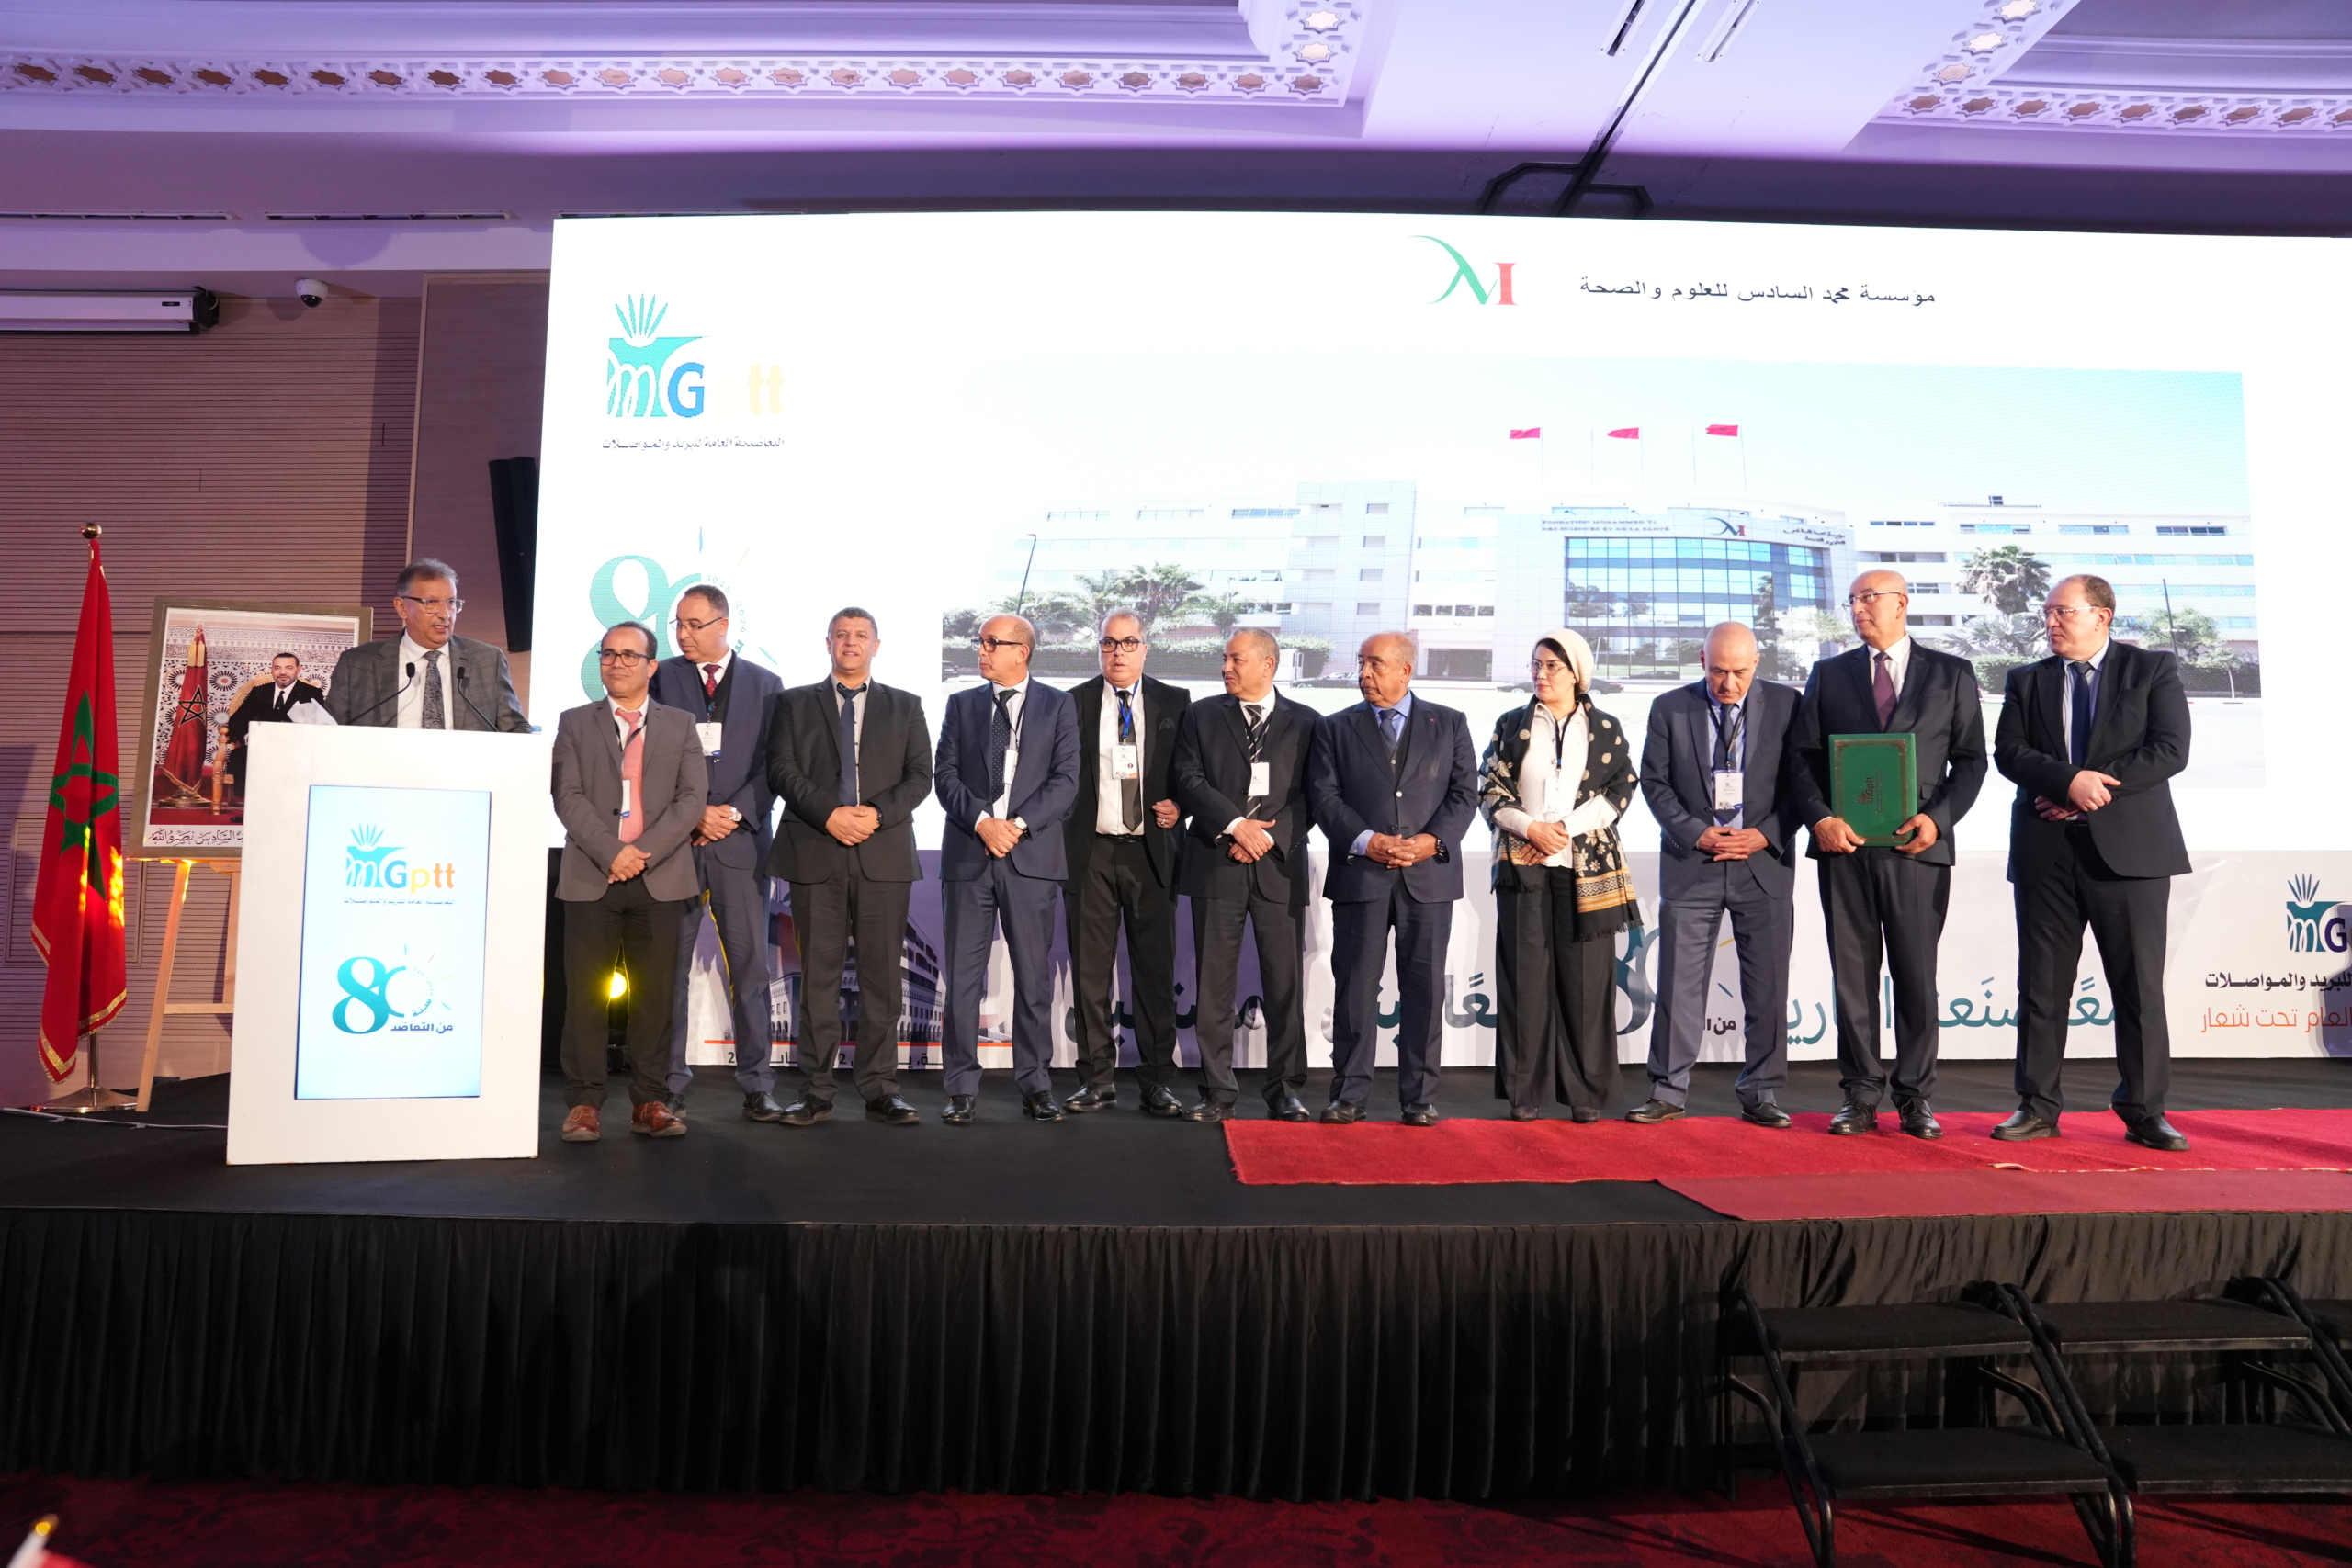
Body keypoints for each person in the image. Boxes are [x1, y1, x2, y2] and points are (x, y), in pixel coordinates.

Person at [1991, 574, 2192, 1151]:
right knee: (2042, 987)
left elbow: (2169, 749)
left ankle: (2144, 1110)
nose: (2050, 622)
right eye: (2047, 612)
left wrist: (2089, 789)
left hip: (2130, 853)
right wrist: (2066, 782)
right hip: (2047, 853)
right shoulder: (2027, 678)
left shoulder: (2150, 668)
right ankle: (2036, 1106)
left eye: (2063, 611)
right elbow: (2010, 752)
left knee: (2137, 988)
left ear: (2101, 615)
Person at [1787, 570, 1987, 1139]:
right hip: (1844, 849)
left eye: (1869, 598)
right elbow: (1801, 758)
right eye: (1853, 600)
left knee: (1916, 976)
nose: (1858, 608)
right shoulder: (1828, 674)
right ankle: (1859, 1095)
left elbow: (1972, 760)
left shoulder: (1951, 673)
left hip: (1917, 848)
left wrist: (1938, 819)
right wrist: (1820, 818)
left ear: (1902, 602)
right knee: (1852, 977)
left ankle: (1915, 1096)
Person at [764, 606, 934, 1128]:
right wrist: (830, 814)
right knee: (818, 979)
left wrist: (876, 814)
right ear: (828, 643)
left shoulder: (906, 706)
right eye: (842, 635)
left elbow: (920, 776)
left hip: (883, 854)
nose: (851, 643)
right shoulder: (793, 703)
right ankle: (815, 1091)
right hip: (816, 850)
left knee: (883, 980)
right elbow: (781, 769)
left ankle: (881, 1089)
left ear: (876, 646)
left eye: (861, 635)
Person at [1629, 622, 1802, 1128]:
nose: (1729, 683)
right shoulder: (1670, 707)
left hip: (1762, 865)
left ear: (1757, 663)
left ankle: (1761, 1092)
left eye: (1740, 672)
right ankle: (1667, 1091)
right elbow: (1655, 783)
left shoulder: (1788, 705)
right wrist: (1696, 833)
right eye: (1719, 671)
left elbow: (1803, 784)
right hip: (1693, 865)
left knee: (1767, 987)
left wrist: (1765, 834)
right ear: (1702, 661)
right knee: (1678, 985)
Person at [1306, 631, 1478, 1126]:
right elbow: (1325, 798)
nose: (1364, 674)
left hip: (1429, 878)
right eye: (1361, 663)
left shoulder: (1449, 722)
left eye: (1375, 664)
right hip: (1361, 875)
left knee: (1424, 990)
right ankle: (1349, 1095)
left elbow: (1464, 794)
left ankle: (1420, 1098)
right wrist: (1367, 840)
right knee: (1355, 991)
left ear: (1405, 670)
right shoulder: (1334, 727)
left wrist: (1431, 841)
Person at [549, 622, 708, 1141]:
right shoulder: (574, 722)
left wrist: (640, 855)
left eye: (628, 655)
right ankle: (584, 1103)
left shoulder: (681, 725)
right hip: (592, 874)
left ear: (651, 666)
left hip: (659, 876)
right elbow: (566, 796)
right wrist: (612, 852)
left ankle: (650, 1101)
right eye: (608, 654)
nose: (616, 663)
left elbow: (691, 799)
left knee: (655, 997)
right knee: (586, 996)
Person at [1477, 629, 1642, 1122]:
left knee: (1587, 982)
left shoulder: (1606, 727)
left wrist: (1563, 831)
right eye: (1536, 664)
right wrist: (1529, 828)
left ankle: (1584, 1092)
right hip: (1523, 863)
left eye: (1552, 665)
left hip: (1585, 868)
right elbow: (1489, 787)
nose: (1540, 674)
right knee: (1524, 979)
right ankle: (1524, 1091)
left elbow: (1621, 789)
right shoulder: (1511, 724)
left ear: (1576, 673)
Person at [934, 614, 1080, 1124]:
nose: (982, 650)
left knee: (1033, 979)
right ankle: (960, 1087)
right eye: (981, 642)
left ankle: (1036, 1084)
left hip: (1030, 858)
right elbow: (944, 776)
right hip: (970, 856)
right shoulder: (961, 704)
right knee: (963, 978)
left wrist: (1014, 826)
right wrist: (983, 823)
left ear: (1022, 651)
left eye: (992, 643)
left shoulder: (1058, 705)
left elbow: (1066, 781)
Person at [648, 584, 785, 1122]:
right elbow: (647, 757)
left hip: (740, 844)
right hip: (675, 844)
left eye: (694, 624)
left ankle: (757, 1083)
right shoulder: (661, 678)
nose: (682, 634)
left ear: (723, 625)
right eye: (678, 624)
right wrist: (693, 813)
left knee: (751, 971)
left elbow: (776, 764)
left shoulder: (766, 685)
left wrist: (730, 812)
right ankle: (668, 1083)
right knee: (669, 972)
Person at [1170, 628, 1316, 1122]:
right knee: (1213, 985)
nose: (1225, 668)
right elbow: (1188, 780)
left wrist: (1266, 838)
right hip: (1216, 863)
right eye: (1224, 658)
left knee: (1284, 984)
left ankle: (1285, 1089)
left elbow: (1315, 795)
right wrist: (1236, 826)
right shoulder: (1202, 715)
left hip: (1279, 869)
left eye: (1236, 659)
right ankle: (1217, 1090)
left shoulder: (1308, 722)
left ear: (1268, 664)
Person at [1060, 611, 1192, 1118]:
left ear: (1145, 648)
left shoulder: (1175, 701)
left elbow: (1192, 772)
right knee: (1090, 973)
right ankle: (1096, 1080)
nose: (1118, 652)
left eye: (1128, 642)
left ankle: (1157, 1080)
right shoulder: (1072, 702)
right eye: (1109, 643)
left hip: (1150, 851)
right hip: (1089, 852)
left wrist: (1182, 805)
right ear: (1099, 649)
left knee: (1154, 972)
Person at [324, 558, 529, 732]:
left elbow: (515, 729)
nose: (445, 614)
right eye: (431, 603)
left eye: (451, 602)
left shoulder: (487, 660)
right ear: (402, 607)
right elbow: (329, 732)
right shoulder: (358, 664)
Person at [222, 652, 322, 798]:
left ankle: (289, 802)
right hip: (262, 747)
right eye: (277, 668)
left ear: (299, 669)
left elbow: (318, 725)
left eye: (288, 668)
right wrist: (249, 736)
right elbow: (238, 719)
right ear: (272, 670)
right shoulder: (260, 692)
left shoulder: (311, 693)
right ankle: (251, 802)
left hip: (294, 749)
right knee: (240, 755)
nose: (282, 672)